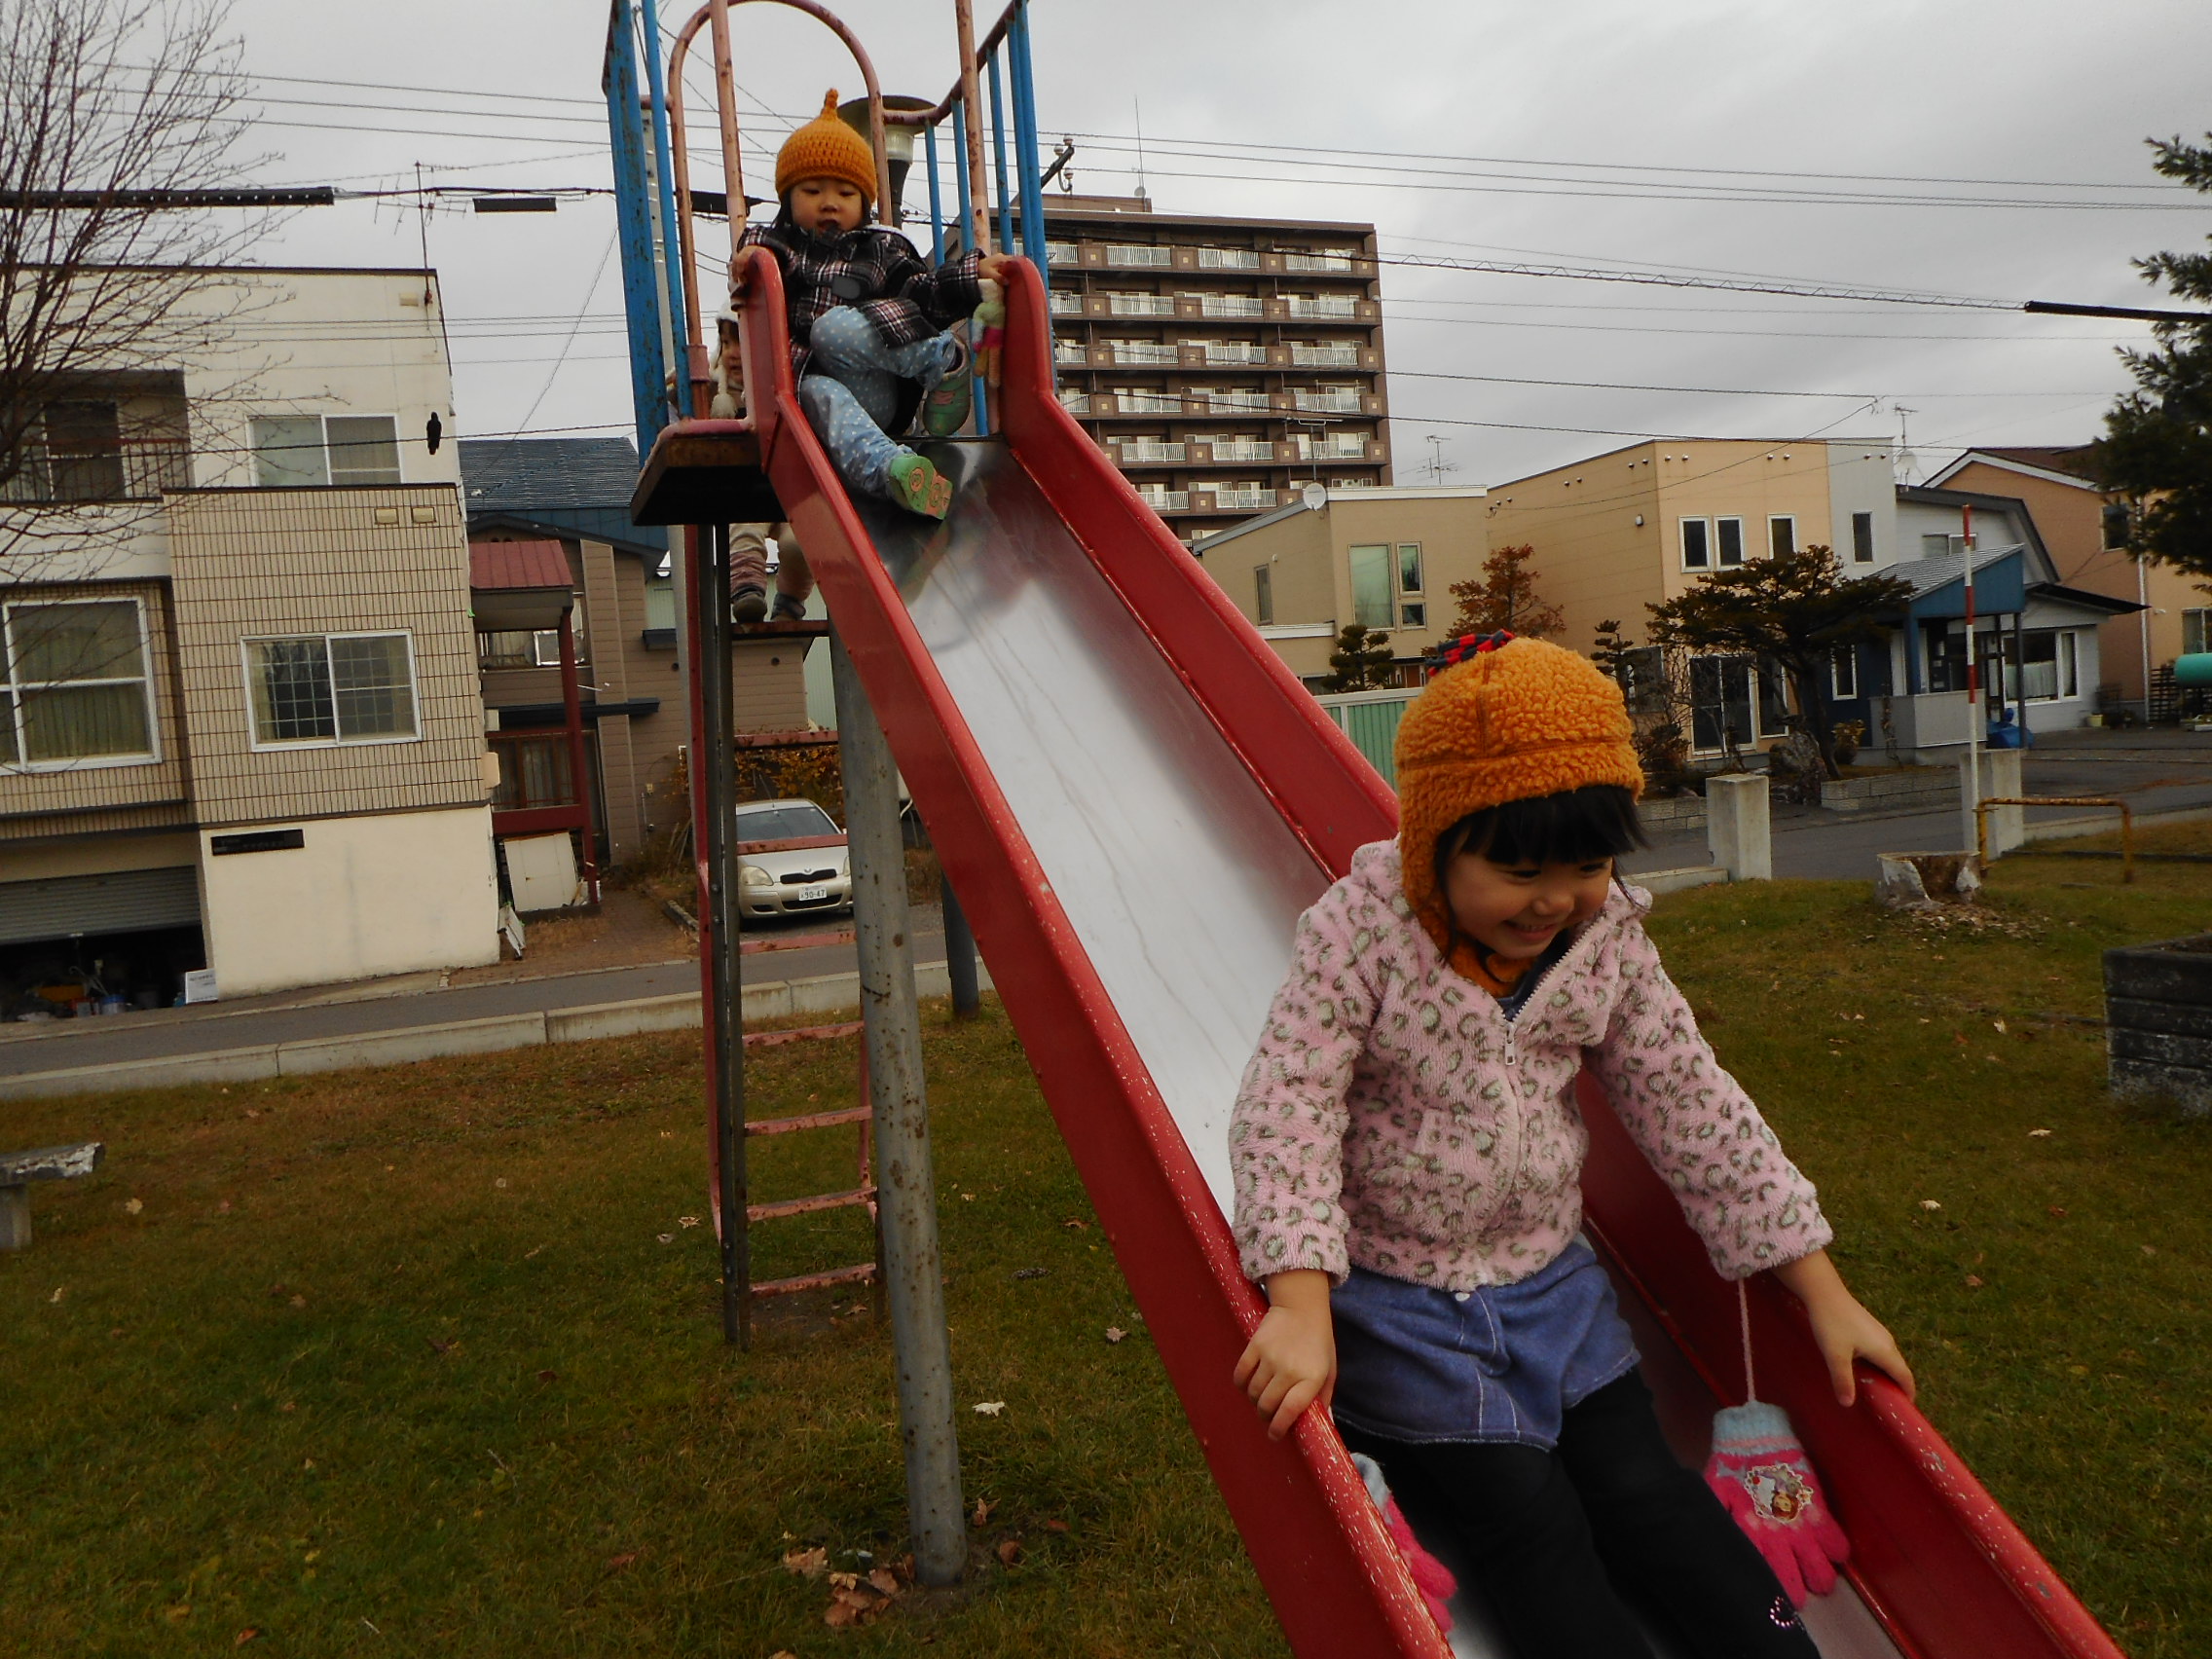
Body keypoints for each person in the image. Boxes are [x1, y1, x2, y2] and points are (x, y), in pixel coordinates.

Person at [1229, 631, 1915, 1659]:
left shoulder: (1604, 946)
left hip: (1553, 1291)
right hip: (1403, 1307)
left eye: (1587, 866)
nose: (1554, 901)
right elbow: (1288, 1102)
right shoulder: (1362, 939)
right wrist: (1298, 1301)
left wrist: (1817, 1286)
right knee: (1527, 1519)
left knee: (1646, 1495)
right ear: (1432, 847)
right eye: (1516, 871)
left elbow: (1690, 1099)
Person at [726, 89, 1007, 541]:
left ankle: (945, 362)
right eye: (812, 190)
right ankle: (895, 472)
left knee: (829, 330)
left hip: (881, 386)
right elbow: (748, 271)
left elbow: (926, 292)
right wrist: (747, 261)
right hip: (829, 396)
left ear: (864, 201)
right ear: (787, 199)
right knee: (813, 391)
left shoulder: (881, 248)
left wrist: (972, 276)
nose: (829, 202)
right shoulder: (774, 250)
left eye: (844, 191)